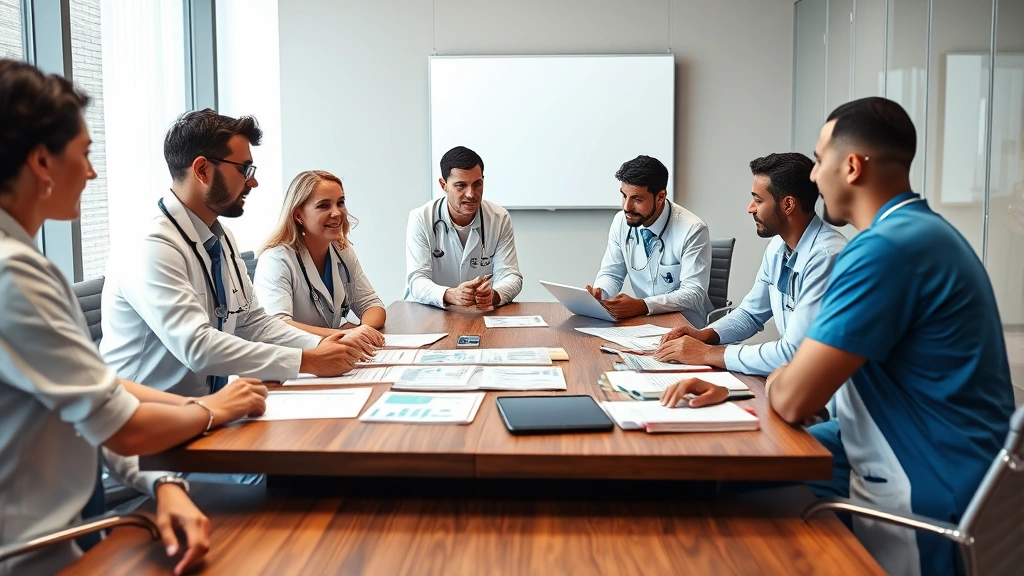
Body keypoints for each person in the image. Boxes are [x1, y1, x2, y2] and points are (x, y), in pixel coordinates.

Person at [663, 97, 1015, 576]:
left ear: (851, 167)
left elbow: (793, 397)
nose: (812, 176)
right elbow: (808, 383)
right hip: (930, 457)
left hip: (923, 489)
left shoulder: (881, 252)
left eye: (819, 159)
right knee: (719, 469)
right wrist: (739, 392)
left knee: (704, 507)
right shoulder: (922, 233)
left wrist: (788, 385)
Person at [0, 58, 268, 576]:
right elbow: (118, 423)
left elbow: (101, 399)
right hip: (38, 556)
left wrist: (167, 481)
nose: (92, 171)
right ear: (40, 162)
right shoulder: (15, 276)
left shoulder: (23, 265)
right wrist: (214, 410)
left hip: (83, 520)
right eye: (84, 154)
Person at [100, 110, 374, 400]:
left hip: (206, 411)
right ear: (202, 170)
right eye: (244, 169)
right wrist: (308, 360)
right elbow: (197, 346)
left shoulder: (220, 238)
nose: (252, 182)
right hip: (147, 423)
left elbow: (252, 323)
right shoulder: (151, 244)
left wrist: (323, 346)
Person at [653, 153, 847, 375]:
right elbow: (750, 314)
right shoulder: (777, 247)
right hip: (799, 378)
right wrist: (703, 335)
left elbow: (795, 353)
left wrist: (707, 354)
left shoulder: (826, 256)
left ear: (788, 205)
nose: (750, 208)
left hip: (829, 391)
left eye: (758, 200)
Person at [254, 170, 386, 337]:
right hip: (294, 358)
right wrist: (338, 335)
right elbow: (277, 326)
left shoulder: (342, 250)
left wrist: (361, 331)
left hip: (330, 353)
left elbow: (372, 305)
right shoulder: (276, 260)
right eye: (324, 205)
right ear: (298, 215)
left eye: (340, 203)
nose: (337, 213)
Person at [587, 155, 713, 326]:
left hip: (687, 326)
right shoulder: (620, 221)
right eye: (624, 196)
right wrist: (601, 293)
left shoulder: (693, 229)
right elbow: (611, 273)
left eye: (637, 199)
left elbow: (694, 293)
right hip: (646, 324)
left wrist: (642, 305)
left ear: (660, 197)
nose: (627, 207)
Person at [404, 146, 523, 310]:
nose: (471, 194)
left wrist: (494, 295)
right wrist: (449, 294)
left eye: (477, 184)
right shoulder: (421, 218)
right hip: (429, 311)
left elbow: (511, 275)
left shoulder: (499, 218)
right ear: (443, 185)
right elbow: (417, 280)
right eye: (461, 186)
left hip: (476, 313)